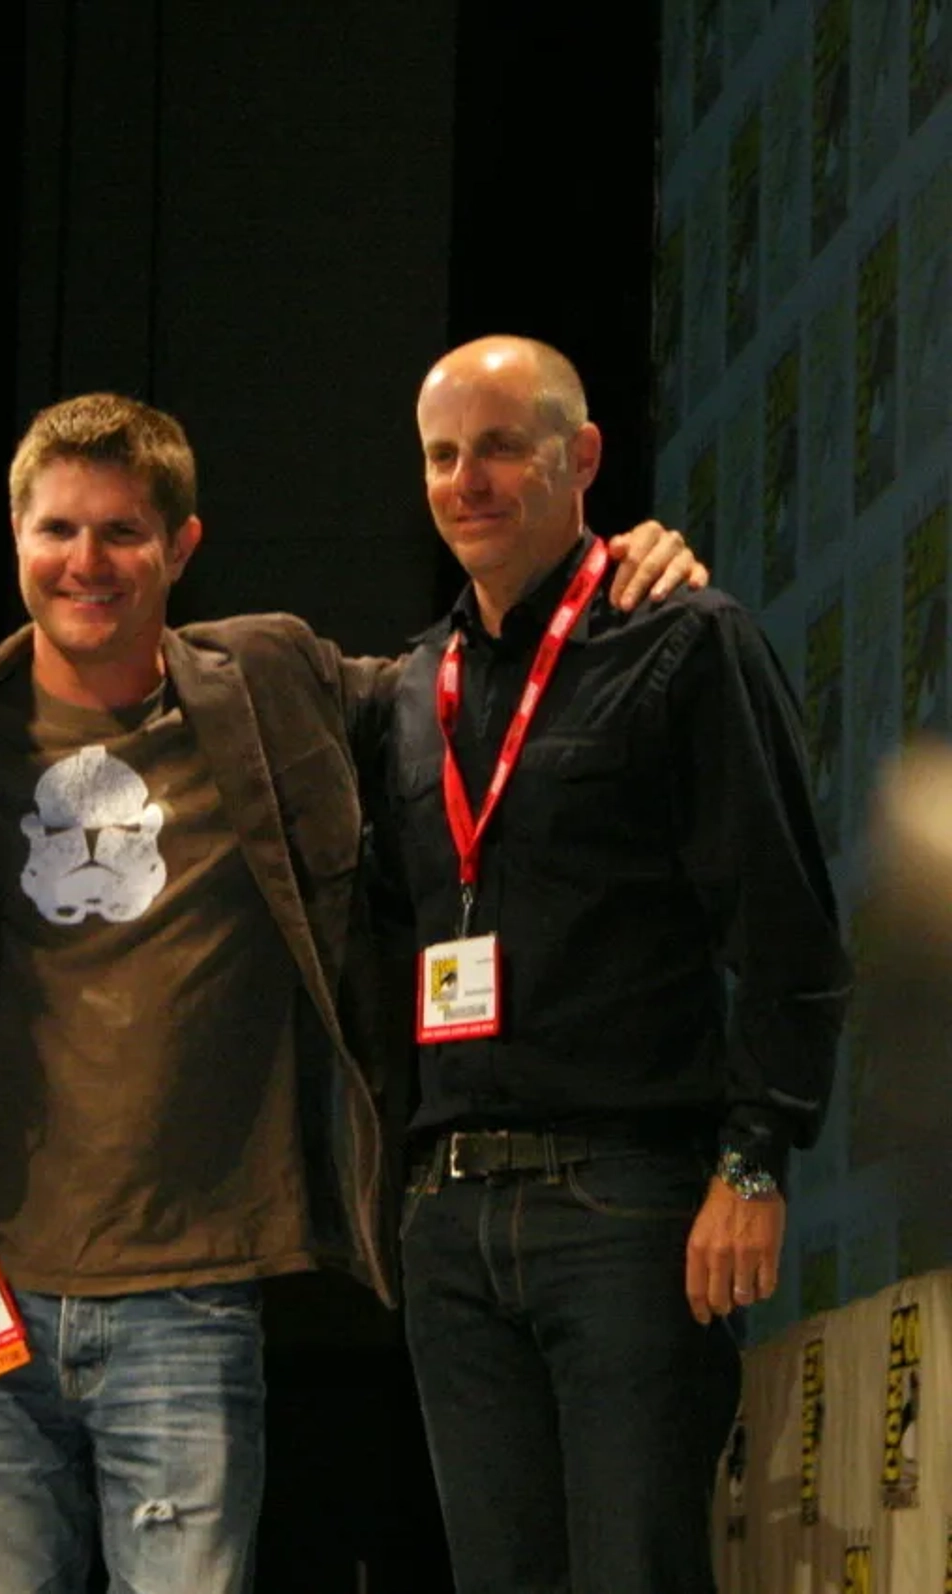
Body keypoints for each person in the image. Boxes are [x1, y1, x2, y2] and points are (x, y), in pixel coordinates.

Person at [0, 391, 703, 1594]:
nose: (88, 562)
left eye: (124, 532)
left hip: (182, 1304)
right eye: (59, 530)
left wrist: (614, 570)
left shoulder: (266, 683)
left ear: (182, 547)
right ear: (15, 534)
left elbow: (481, 680)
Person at [380, 336, 850, 1594]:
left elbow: (790, 931)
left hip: (629, 1209)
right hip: (449, 1219)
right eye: (441, 454)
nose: (467, 479)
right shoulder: (411, 686)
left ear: (580, 457)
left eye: (500, 447)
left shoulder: (685, 640)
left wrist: (754, 1159)